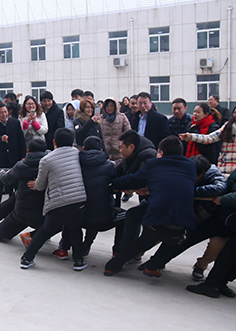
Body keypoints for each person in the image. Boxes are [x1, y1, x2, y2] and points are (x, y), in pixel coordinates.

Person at [104, 136, 197, 277]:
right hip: (183, 220)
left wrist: (113, 184)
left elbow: (132, 180)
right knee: (173, 241)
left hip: (158, 217)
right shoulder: (191, 166)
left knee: (142, 242)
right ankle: (153, 266)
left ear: (161, 152)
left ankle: (112, 266)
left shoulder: (154, 164)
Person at [20, 128, 88, 271]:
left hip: (59, 202)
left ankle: (27, 258)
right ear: (72, 142)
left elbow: (40, 185)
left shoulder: (46, 160)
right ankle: (78, 261)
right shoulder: (77, 153)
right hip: (78, 200)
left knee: (44, 230)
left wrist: (36, 184)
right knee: (75, 230)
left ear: (54, 142)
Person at [180, 106, 236, 177]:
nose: (235, 115)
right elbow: (209, 138)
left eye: (198, 112)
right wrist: (191, 136)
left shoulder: (214, 126)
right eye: (234, 113)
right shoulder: (228, 127)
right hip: (225, 169)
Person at [0, 102, 26, 208]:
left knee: (15, 183)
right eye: (1, 113)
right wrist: (1, 138)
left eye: (5, 112)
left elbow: (21, 140)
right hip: (2, 158)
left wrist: (23, 156)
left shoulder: (14, 123)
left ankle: (14, 206)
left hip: (15, 157)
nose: (4, 114)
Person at [99, 98, 131, 163]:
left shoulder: (122, 117)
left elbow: (128, 133)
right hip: (105, 153)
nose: (109, 108)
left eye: (111, 106)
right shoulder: (101, 118)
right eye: (107, 106)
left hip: (120, 152)